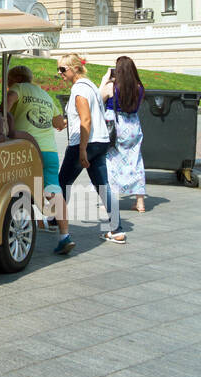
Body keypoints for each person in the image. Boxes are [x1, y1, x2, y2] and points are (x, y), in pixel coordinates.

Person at [56, 53, 121, 245]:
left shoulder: (78, 89)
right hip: (100, 141)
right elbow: (86, 114)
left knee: (62, 183)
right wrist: (68, 122)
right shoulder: (91, 85)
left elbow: (86, 120)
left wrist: (82, 149)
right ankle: (117, 230)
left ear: (75, 68)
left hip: (83, 143)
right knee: (103, 185)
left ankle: (55, 222)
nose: (59, 73)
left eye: (62, 69)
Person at [6, 63, 69, 246]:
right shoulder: (45, 95)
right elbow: (59, 123)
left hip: (26, 149)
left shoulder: (19, 88)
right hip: (49, 150)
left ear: (16, 79)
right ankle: (65, 235)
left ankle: (28, 225)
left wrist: (4, 114)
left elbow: (7, 103)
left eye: (9, 81)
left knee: (20, 187)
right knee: (54, 190)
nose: (8, 84)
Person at [100, 56, 146, 215]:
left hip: (116, 126)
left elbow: (98, 99)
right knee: (135, 160)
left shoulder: (112, 87)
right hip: (133, 125)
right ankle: (140, 201)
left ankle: (110, 199)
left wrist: (104, 80)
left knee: (111, 162)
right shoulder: (139, 87)